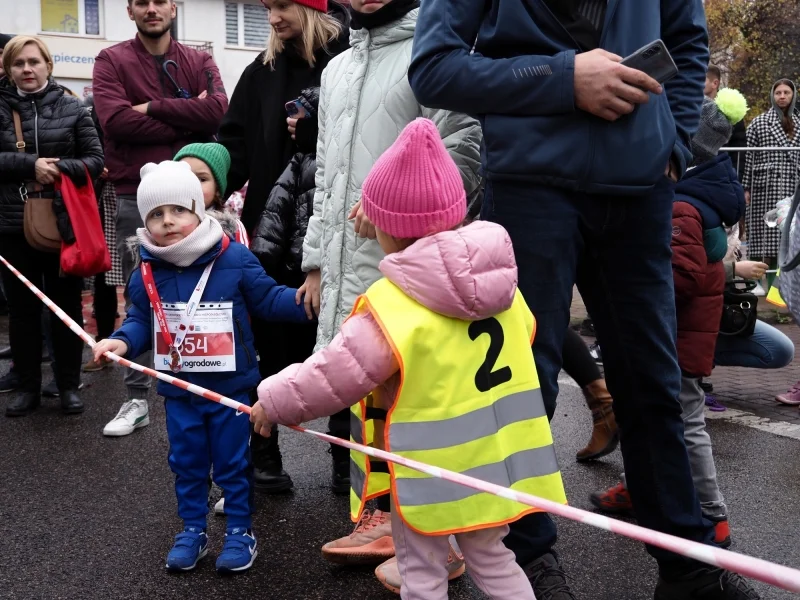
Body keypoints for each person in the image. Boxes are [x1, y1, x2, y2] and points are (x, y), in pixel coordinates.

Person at [408, 1, 761, 598]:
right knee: (521, 387)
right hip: (530, 186)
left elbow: (687, 42)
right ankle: (526, 562)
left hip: (640, 188)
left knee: (654, 385)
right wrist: (561, 77)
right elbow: (435, 68)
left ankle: (688, 567)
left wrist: (671, 146)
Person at [252, 118, 566, 600]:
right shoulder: (502, 286)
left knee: (421, 569)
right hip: (498, 463)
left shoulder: (393, 304)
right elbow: (526, 336)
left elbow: (332, 377)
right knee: (495, 559)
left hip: (431, 473)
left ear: (386, 229)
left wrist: (272, 401)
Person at [300, 0, 482, 586]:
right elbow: (325, 173)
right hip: (345, 259)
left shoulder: (434, 50)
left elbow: (465, 145)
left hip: (410, 256)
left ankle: (441, 534)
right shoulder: (336, 70)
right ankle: (379, 518)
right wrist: (313, 262)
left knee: (421, 400)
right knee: (367, 394)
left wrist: (413, 213)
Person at [92, 161, 312, 573]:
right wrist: (120, 340)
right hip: (179, 391)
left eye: (177, 210)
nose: (167, 221)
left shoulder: (235, 258)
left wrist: (308, 303)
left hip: (229, 388)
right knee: (187, 462)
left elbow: (268, 299)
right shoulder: (146, 269)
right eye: (156, 214)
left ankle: (240, 531)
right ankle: (192, 529)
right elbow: (142, 320)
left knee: (232, 462)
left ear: (198, 209)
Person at [592, 96, 747, 553]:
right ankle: (642, 490)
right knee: (649, 414)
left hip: (673, 339)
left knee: (685, 420)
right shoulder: (697, 196)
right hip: (671, 336)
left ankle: (713, 515)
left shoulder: (683, 206)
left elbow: (674, 279)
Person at [218, 0, 350, 495]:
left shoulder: (351, 59)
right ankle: (265, 453)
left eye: (283, 4)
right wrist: (202, 183)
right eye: (267, 6)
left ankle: (348, 456)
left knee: (342, 345)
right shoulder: (262, 71)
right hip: (272, 238)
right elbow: (234, 145)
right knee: (269, 344)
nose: (272, 16)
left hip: (338, 229)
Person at [93, 0, 228, 438]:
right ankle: (136, 397)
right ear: (130, 10)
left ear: (173, 7)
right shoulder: (111, 60)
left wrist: (149, 108)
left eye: (159, 1)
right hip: (138, 196)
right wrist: (185, 118)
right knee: (142, 293)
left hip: (195, 196)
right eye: (141, 2)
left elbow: (217, 113)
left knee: (209, 293)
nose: (152, 9)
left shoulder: (200, 59)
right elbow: (115, 123)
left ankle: (208, 386)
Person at [0, 35, 104, 417]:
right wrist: (29, 166)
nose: (27, 69)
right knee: (22, 311)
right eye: (18, 63)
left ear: (48, 64)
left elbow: (95, 161)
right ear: (9, 69)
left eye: (34, 61)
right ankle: (26, 386)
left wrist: (58, 168)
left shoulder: (74, 108)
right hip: (11, 225)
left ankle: (67, 385)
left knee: (66, 307)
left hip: (63, 224)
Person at [743, 79, 800, 281]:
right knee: (760, 234)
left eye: (786, 92)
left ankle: (780, 283)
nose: (782, 96)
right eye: (778, 93)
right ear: (772, 96)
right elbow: (748, 157)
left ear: (793, 95)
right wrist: (745, 187)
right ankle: (756, 282)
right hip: (764, 188)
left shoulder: (799, 124)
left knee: (787, 235)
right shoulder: (759, 122)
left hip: (792, 186)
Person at [174, 142, 249, 246]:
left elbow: (244, 260)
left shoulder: (233, 229)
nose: (192, 184)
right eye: (185, 177)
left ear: (217, 189)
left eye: (202, 179)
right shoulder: (165, 221)